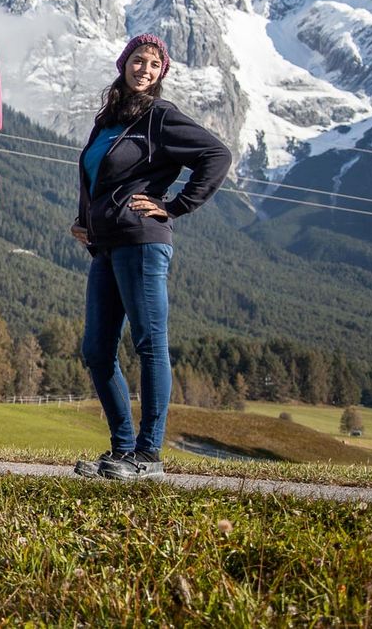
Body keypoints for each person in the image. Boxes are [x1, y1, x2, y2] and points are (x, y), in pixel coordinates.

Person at [70, 34, 231, 481]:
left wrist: (175, 206)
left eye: (154, 65)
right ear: (124, 63)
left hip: (143, 241)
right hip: (106, 246)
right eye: (138, 60)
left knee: (149, 343)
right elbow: (99, 176)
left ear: (161, 74)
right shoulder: (108, 120)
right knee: (97, 351)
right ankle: (122, 450)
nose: (144, 69)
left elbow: (217, 155)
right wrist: (84, 220)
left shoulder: (160, 116)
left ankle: (148, 455)